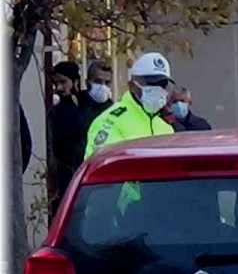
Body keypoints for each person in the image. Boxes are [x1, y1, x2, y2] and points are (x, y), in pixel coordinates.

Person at [85, 52, 176, 159]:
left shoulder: (165, 129)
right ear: (132, 86)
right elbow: (100, 168)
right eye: (151, 83)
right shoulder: (110, 122)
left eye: (162, 85)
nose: (158, 90)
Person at [48, 61, 84, 213]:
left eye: (63, 82)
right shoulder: (55, 111)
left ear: (75, 82)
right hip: (62, 175)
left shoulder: (83, 107)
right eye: (56, 83)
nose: (59, 88)